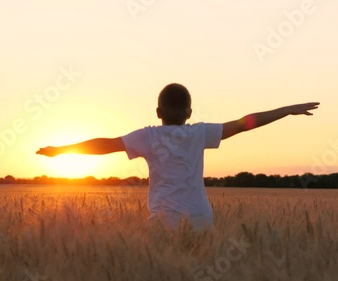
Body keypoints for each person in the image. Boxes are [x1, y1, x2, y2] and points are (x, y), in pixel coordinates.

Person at [36, 83, 319, 231]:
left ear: (158, 112)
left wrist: (61, 150)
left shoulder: (146, 137)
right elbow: (245, 122)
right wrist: (286, 109)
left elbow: (103, 145)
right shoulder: (200, 133)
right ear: (189, 113)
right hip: (202, 220)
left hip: (165, 223)